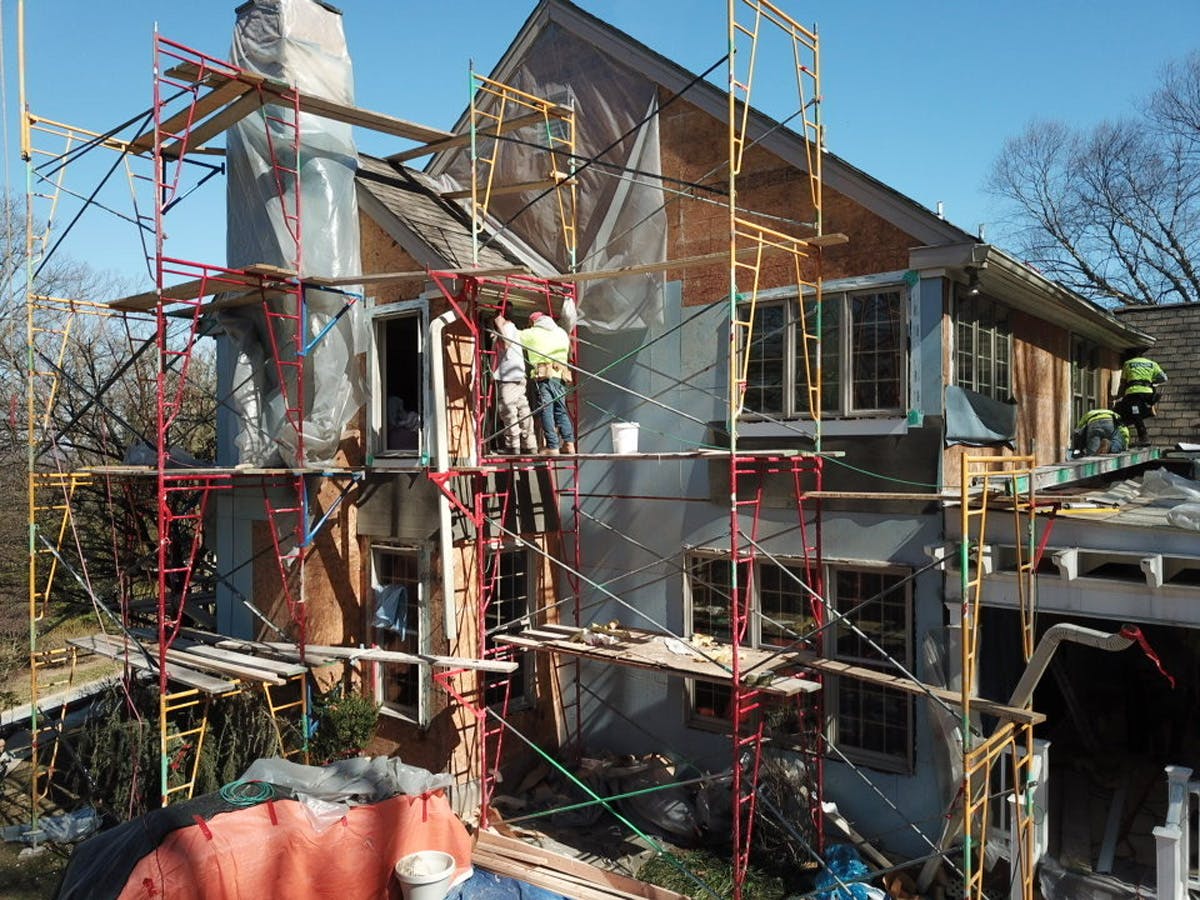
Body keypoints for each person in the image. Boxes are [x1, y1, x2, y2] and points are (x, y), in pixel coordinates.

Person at [496, 299, 578, 455]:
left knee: (546, 410)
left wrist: (499, 325)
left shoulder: (532, 333)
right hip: (561, 376)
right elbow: (569, 350)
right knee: (560, 410)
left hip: (545, 377)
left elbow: (510, 338)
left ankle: (552, 446)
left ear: (533, 323)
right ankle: (569, 444)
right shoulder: (561, 332)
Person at [488, 322, 538, 456]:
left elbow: (505, 345)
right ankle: (530, 444)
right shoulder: (516, 330)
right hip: (519, 376)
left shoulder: (506, 328)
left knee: (508, 411)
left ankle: (513, 446)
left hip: (508, 377)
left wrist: (498, 323)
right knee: (523, 410)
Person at [1114, 349, 1167, 446]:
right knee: (1134, 411)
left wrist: (1118, 396)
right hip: (1148, 393)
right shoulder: (1152, 364)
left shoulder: (1128, 363)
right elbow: (1164, 378)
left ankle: (1144, 438)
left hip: (1133, 393)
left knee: (1134, 413)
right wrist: (1152, 383)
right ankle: (1149, 411)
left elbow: (1123, 383)